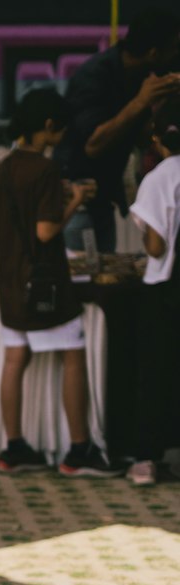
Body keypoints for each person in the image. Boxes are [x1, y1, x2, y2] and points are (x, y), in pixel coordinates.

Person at [0, 88, 123, 478]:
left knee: (15, 358)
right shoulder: (46, 170)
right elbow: (47, 231)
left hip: (10, 280)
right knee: (72, 355)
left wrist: (60, 195)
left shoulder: (5, 165)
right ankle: (78, 450)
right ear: (49, 127)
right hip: (44, 282)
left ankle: (14, 448)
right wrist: (75, 199)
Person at [61, 6, 180, 252]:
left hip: (104, 200)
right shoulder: (95, 76)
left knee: (105, 283)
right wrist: (140, 102)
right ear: (154, 52)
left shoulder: (142, 76)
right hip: (76, 203)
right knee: (81, 283)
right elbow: (94, 145)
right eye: (175, 47)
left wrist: (162, 107)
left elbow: (142, 138)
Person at [126, 98, 180, 486]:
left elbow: (156, 247)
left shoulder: (159, 177)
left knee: (155, 372)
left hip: (165, 289)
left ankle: (146, 458)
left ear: (159, 138)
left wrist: (145, 229)